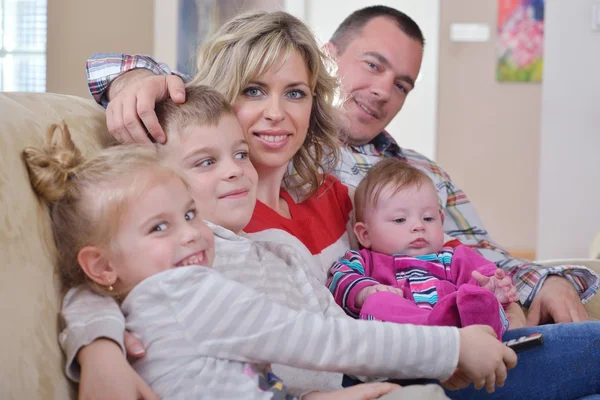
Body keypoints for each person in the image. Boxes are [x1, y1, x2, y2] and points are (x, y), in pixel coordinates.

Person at [74, 8, 600, 400]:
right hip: (388, 370)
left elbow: (442, 249)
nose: (277, 113)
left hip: (424, 353)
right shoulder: (208, 211)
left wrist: (529, 282)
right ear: (220, 96)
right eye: (254, 91)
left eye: (296, 94)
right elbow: (107, 271)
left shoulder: (340, 195)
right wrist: (98, 348)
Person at [51, 86, 516, 399]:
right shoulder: (179, 274)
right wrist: (99, 347)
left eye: (239, 155)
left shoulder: (267, 242)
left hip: (367, 368)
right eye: (204, 164)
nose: (234, 170)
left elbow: (327, 324)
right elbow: (92, 288)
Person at [327, 159, 519, 339]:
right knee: (378, 302)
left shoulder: (454, 258)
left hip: (467, 340)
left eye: (428, 218)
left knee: (476, 297)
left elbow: (485, 273)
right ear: (365, 235)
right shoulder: (364, 261)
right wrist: (365, 292)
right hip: (402, 344)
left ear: (441, 222)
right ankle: (432, 330)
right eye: (400, 220)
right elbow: (339, 280)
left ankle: (471, 337)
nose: (419, 226)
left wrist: (494, 287)